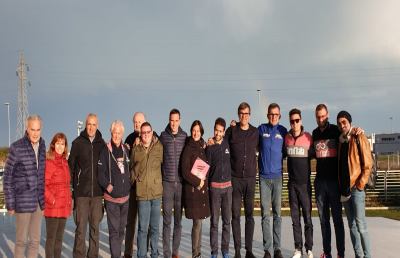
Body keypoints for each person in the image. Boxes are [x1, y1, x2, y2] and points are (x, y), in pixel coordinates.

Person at [4, 115, 46, 258]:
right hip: (22, 202)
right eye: (32, 129)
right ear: (27, 129)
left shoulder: (43, 144)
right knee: (21, 241)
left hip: (38, 202)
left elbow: (41, 175)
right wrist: (10, 203)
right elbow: (7, 177)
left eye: (38, 129)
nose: (35, 133)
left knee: (35, 241)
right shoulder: (17, 147)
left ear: (41, 129)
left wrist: (43, 202)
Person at [69, 113, 106, 258]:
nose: (91, 127)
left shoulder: (102, 144)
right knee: (80, 230)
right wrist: (74, 189)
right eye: (89, 124)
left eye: (94, 124)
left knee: (95, 229)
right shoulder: (77, 143)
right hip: (81, 194)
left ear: (97, 126)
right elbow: (71, 167)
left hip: (97, 194)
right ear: (86, 125)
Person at [337, 111, 372, 258]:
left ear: (350, 122)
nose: (342, 125)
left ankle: (367, 255)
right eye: (339, 123)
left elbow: (368, 163)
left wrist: (360, 185)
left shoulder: (359, 136)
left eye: (344, 122)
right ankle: (358, 255)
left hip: (356, 189)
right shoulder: (340, 140)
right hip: (344, 190)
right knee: (351, 226)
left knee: (361, 225)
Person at [226, 102, 258, 258]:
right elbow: (221, 145)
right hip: (235, 179)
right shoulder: (231, 131)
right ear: (238, 114)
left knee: (250, 215)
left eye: (246, 113)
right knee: (236, 215)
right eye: (241, 113)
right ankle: (238, 250)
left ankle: (249, 250)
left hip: (250, 179)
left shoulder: (255, 132)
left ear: (249, 115)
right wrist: (210, 142)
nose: (244, 116)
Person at [312, 104, 345, 258]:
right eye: (318, 117)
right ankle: (327, 253)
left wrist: (357, 131)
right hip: (320, 183)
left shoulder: (335, 130)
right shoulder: (314, 133)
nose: (321, 119)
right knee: (324, 221)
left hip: (334, 183)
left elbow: (347, 135)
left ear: (328, 115)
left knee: (337, 220)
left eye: (323, 116)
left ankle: (341, 253)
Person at [124, 111, 157, 258]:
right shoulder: (129, 138)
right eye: (135, 122)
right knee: (131, 223)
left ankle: (145, 251)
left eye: (139, 122)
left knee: (147, 224)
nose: (137, 125)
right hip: (132, 189)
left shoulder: (152, 138)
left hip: (147, 190)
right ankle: (128, 253)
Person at [98, 120, 131, 258]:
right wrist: (109, 187)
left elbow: (130, 168)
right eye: (114, 132)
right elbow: (101, 174)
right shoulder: (105, 151)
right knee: (114, 231)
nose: (116, 135)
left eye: (119, 133)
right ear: (111, 133)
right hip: (111, 200)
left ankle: (117, 253)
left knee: (122, 229)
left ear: (122, 133)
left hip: (125, 199)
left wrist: (128, 184)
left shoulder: (126, 149)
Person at [258, 103, 287, 258]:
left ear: (279, 116)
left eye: (276, 114)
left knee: (277, 214)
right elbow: (248, 138)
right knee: (265, 215)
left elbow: (287, 150)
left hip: (277, 178)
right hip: (263, 178)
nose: (273, 117)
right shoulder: (261, 129)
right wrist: (233, 127)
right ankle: (267, 250)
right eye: (271, 114)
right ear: (267, 115)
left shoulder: (283, 131)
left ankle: (277, 249)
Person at [130, 122, 163, 258]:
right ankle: (141, 255)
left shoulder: (159, 147)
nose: (146, 135)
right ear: (140, 134)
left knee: (154, 228)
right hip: (142, 194)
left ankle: (154, 254)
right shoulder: (136, 150)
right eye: (143, 133)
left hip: (156, 194)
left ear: (152, 132)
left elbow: (163, 165)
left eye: (148, 132)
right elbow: (131, 170)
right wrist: (135, 179)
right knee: (143, 229)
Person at [284, 109, 313, 258]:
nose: (294, 123)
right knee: (295, 219)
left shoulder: (309, 138)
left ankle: (309, 248)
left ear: (301, 120)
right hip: (292, 185)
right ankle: (298, 248)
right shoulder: (286, 138)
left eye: (297, 120)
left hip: (305, 185)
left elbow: (317, 156)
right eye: (292, 121)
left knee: (307, 218)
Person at [160, 109, 188, 258]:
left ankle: (175, 253)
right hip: (167, 184)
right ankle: (166, 253)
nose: (174, 123)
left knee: (178, 221)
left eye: (176, 120)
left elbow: (193, 147)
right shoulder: (163, 136)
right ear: (169, 120)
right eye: (172, 120)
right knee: (166, 221)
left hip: (181, 184)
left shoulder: (184, 136)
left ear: (180, 120)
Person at [181, 120, 210, 258]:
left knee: (200, 223)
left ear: (201, 132)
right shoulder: (188, 148)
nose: (195, 132)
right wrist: (198, 182)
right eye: (194, 130)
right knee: (197, 223)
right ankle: (195, 254)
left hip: (201, 191)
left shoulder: (202, 147)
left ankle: (198, 252)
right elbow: (184, 171)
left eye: (198, 130)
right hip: (193, 190)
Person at [207, 118, 232, 258]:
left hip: (228, 189)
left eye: (221, 131)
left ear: (223, 132)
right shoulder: (210, 147)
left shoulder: (228, 143)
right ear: (214, 130)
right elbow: (207, 168)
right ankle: (214, 252)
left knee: (226, 222)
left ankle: (225, 251)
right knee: (214, 222)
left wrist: (233, 123)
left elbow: (232, 130)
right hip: (215, 190)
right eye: (216, 130)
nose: (218, 133)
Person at [44, 132, 72, 258]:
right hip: (52, 208)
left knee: (59, 240)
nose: (60, 146)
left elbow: (66, 185)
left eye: (62, 144)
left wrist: (68, 202)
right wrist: (52, 200)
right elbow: (43, 185)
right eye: (58, 143)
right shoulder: (49, 162)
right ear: (53, 145)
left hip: (63, 208)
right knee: (51, 240)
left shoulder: (65, 162)